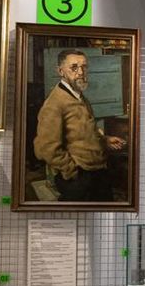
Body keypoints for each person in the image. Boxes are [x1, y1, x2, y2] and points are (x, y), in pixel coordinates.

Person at [33, 50, 127, 202]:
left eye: (84, 67)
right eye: (74, 67)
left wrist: (104, 140)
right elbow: (45, 147)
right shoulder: (55, 103)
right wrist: (71, 171)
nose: (81, 72)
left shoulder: (78, 96)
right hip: (80, 178)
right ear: (60, 71)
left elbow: (82, 132)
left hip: (97, 173)